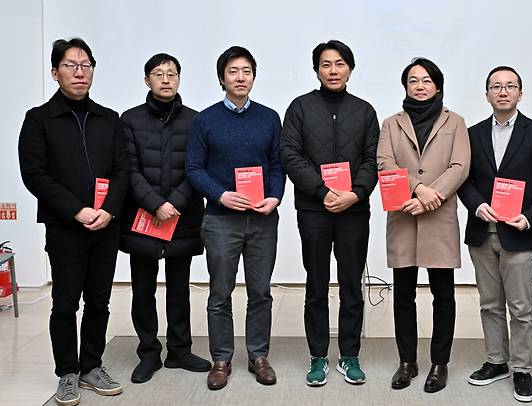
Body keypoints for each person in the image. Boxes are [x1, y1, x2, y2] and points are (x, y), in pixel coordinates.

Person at [18, 37, 128, 406]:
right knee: (65, 303)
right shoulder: (38, 120)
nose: (79, 72)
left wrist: (108, 210)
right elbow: (35, 174)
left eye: (86, 65)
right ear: (55, 72)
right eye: (70, 65)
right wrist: (76, 210)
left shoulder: (109, 119)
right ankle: (67, 371)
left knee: (100, 301)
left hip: (106, 226)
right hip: (65, 228)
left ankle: (92, 365)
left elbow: (122, 171)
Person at [280, 39, 379, 386]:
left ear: (350, 68)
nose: (333, 70)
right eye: (326, 64)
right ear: (316, 69)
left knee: (352, 283)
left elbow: (372, 159)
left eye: (339, 63)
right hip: (314, 210)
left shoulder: (364, 111)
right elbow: (290, 155)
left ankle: (349, 354)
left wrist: (355, 194)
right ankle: (318, 355)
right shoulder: (300, 108)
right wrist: (323, 192)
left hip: (353, 210)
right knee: (316, 284)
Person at [186, 46, 285, 390]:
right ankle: (221, 358)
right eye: (233, 71)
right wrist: (221, 195)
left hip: (261, 218)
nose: (240, 77)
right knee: (220, 292)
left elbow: (277, 165)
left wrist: (274, 197)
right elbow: (194, 168)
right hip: (220, 219)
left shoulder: (269, 117)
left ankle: (258, 355)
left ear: (254, 77)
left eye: (246, 71)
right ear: (221, 78)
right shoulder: (205, 119)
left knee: (261, 291)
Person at [457, 66, 532, 402]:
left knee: (520, 306)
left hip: (520, 234)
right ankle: (496, 361)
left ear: (520, 93)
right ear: (487, 94)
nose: (503, 91)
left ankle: (522, 369)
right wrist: (476, 205)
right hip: (483, 232)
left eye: (510, 86)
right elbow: (465, 182)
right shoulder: (472, 134)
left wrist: (529, 218)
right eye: (496, 86)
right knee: (489, 304)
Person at [377, 57, 470, 393]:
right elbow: (385, 163)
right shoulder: (391, 123)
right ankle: (408, 362)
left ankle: (439, 363)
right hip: (403, 212)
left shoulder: (455, 121)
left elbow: (460, 166)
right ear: (405, 86)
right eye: (413, 80)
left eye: (426, 80)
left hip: (439, 216)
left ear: (438, 85)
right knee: (403, 295)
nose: (419, 86)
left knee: (443, 295)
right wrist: (418, 190)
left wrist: (432, 196)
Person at [119, 53, 211, 384]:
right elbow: (128, 170)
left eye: (172, 73)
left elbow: (198, 168)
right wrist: (155, 203)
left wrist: (174, 203)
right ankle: (148, 353)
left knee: (178, 288)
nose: (166, 79)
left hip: (182, 218)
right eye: (158, 74)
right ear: (147, 80)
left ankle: (179, 351)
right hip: (143, 217)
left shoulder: (196, 120)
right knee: (142, 289)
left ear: (179, 78)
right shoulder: (129, 120)